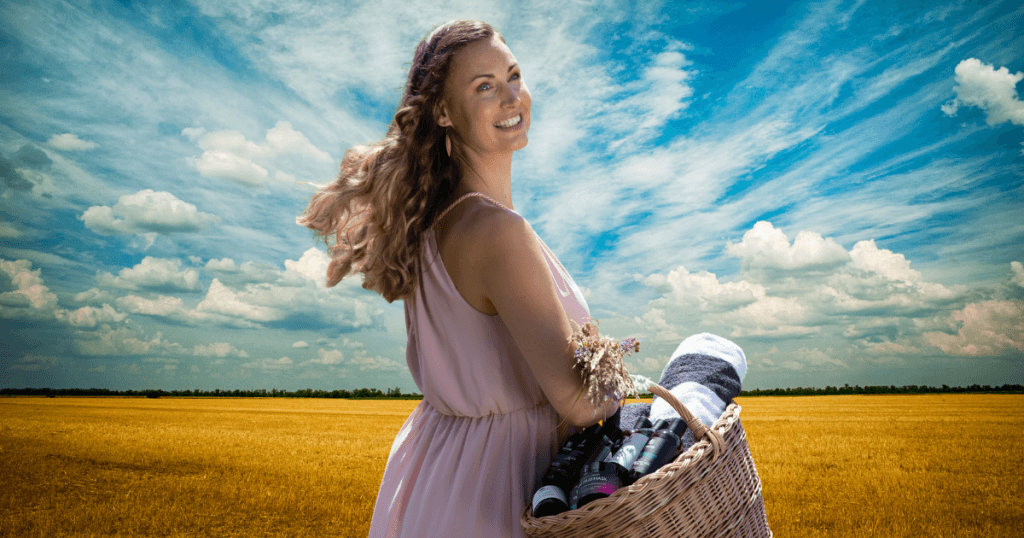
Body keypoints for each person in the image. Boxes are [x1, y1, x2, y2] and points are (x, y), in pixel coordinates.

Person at [299, 20, 621, 537]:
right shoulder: (498, 232)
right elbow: (580, 402)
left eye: (513, 75)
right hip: (502, 488)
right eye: (485, 86)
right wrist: (634, 387)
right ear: (444, 112)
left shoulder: (435, 226)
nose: (512, 96)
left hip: (442, 476)